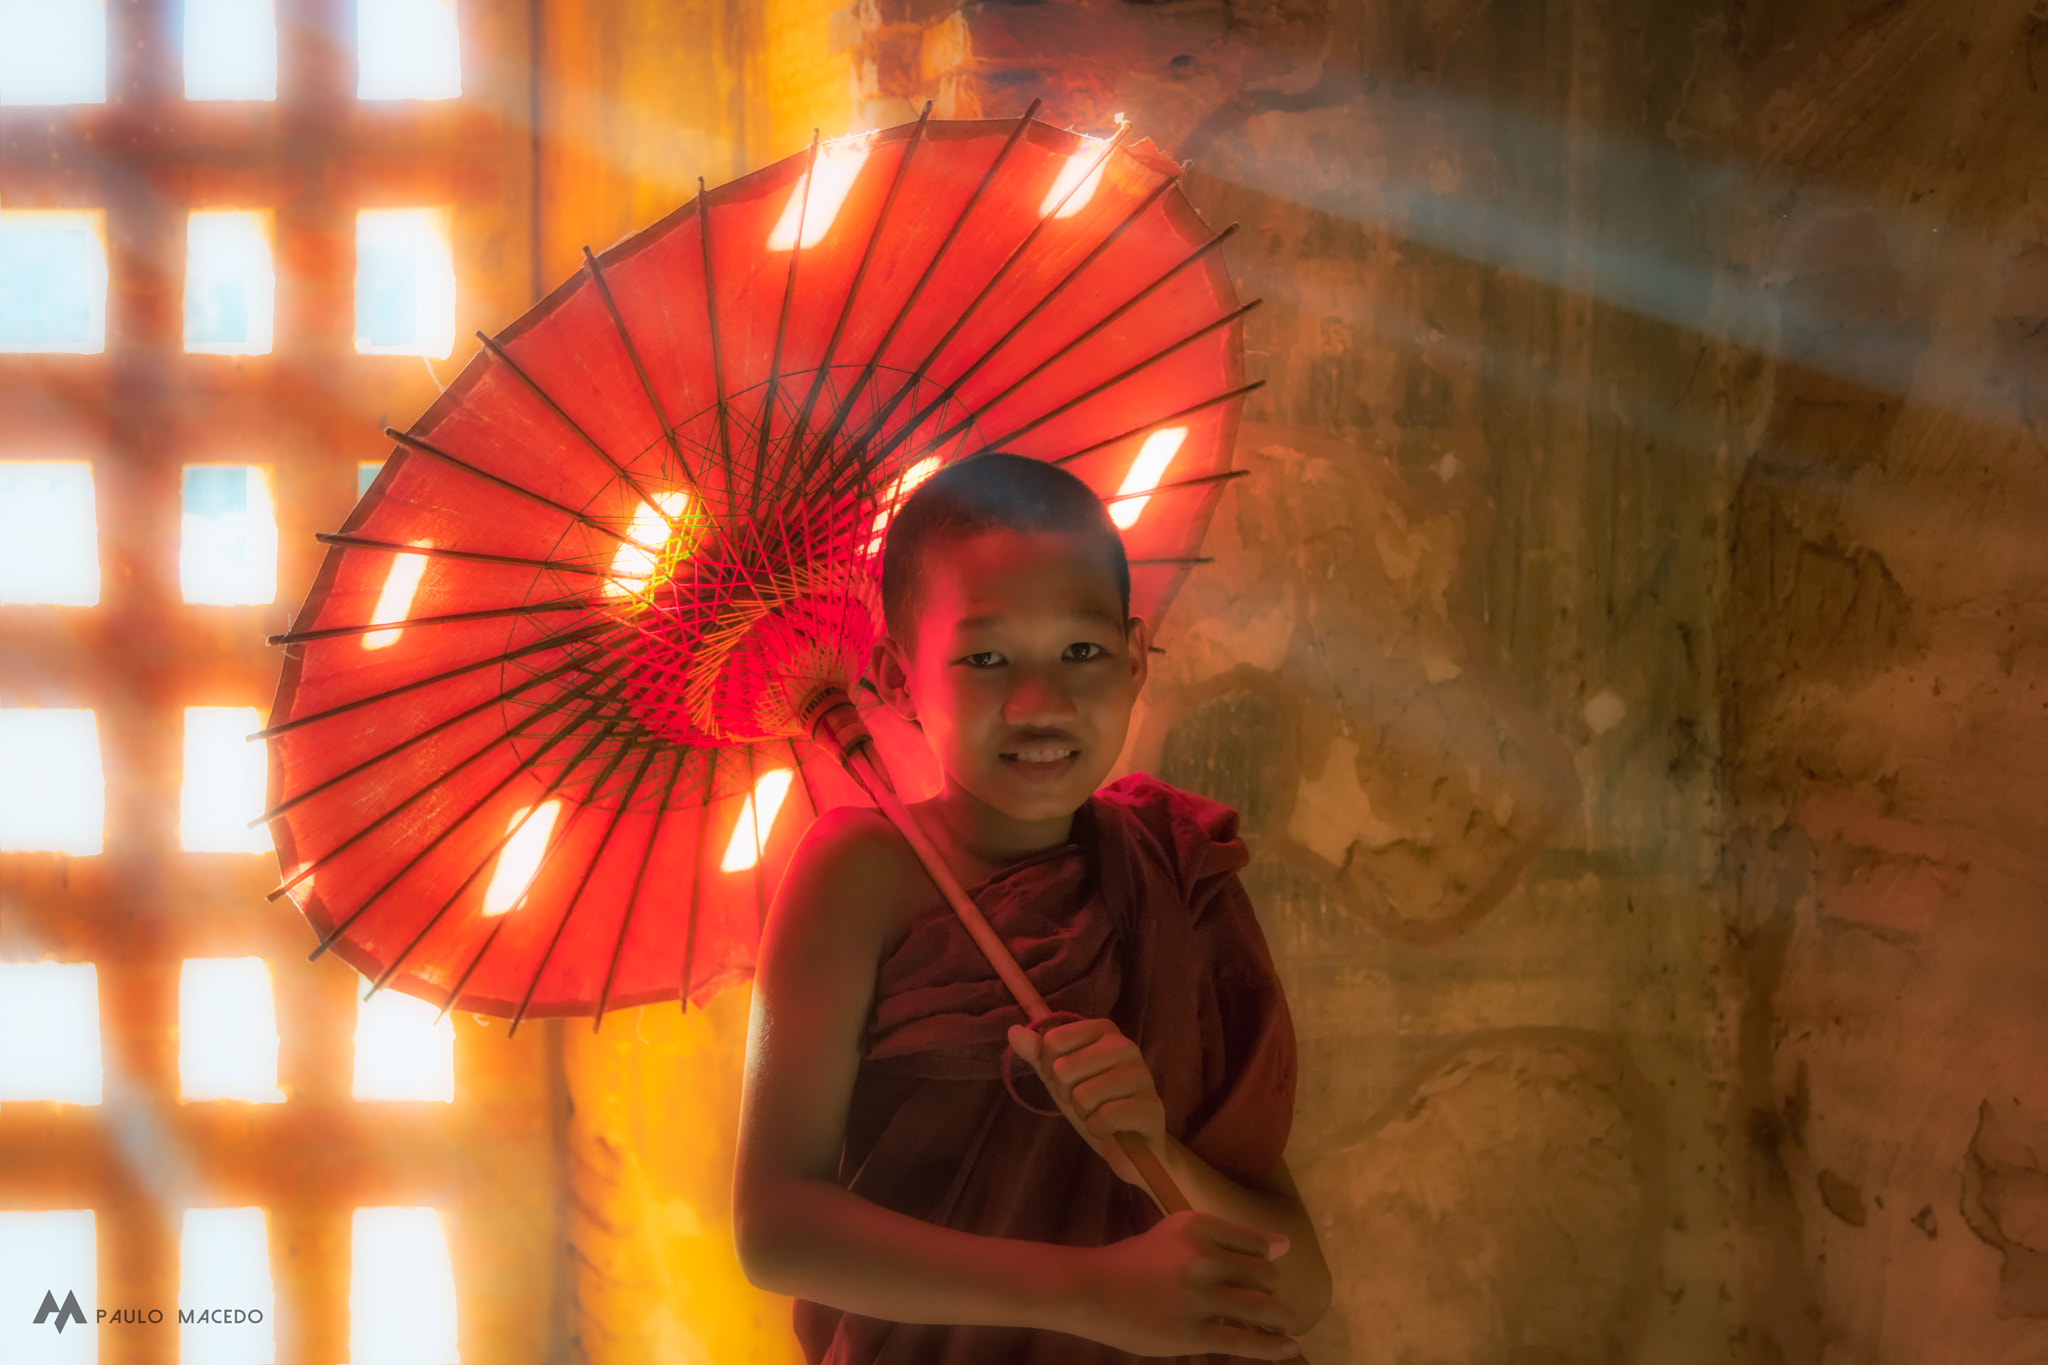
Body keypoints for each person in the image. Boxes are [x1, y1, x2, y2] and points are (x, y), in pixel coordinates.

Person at [733, 452, 1330, 1363]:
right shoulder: (862, 872)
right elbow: (775, 1229)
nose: (1040, 702)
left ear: (1135, 659)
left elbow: (1297, 1289)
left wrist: (1153, 1147)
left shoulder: (1173, 871)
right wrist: (1088, 1293)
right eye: (985, 656)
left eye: (1081, 651)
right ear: (897, 678)